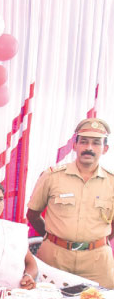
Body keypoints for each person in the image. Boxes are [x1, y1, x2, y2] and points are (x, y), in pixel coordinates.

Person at [26, 118, 114, 288]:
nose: (89, 148)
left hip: (97, 263)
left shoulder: (112, 181)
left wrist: (93, 242)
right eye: (84, 142)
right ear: (74, 145)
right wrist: (55, 238)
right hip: (55, 259)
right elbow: (33, 214)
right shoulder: (52, 176)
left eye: (96, 143)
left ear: (105, 149)